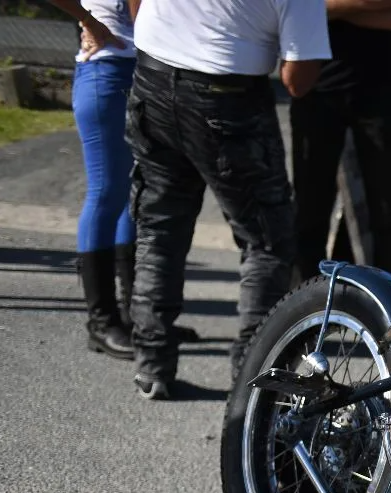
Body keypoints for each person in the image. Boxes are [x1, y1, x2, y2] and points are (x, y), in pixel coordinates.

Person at [125, 0, 330, 400]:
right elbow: (298, 80)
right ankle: (253, 378)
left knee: (159, 226)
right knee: (267, 239)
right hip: (227, 93)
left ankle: (151, 364)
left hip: (153, 74)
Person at [40, 0, 139, 359]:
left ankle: (135, 314)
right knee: (106, 192)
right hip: (105, 69)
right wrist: (88, 20)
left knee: (133, 193)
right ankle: (101, 322)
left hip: (143, 71)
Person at [291, 1, 391, 285]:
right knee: (309, 211)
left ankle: (388, 305)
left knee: (386, 211)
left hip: (380, 87)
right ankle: (303, 304)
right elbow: (296, 8)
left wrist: (325, 10)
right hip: (318, 87)